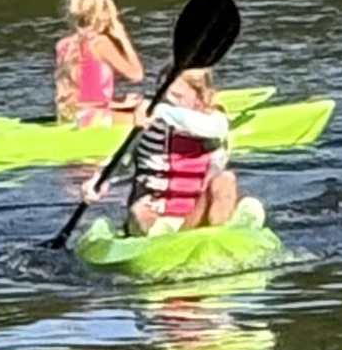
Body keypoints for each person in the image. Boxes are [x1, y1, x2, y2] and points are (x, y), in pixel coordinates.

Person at [87, 68, 259, 234]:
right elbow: (122, 162)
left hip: (196, 215)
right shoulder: (149, 128)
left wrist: (159, 110)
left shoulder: (215, 122)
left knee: (225, 180)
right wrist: (97, 181)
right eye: (162, 96)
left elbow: (212, 128)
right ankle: (156, 243)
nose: (167, 101)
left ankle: (219, 236)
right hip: (156, 217)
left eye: (177, 96)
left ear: (200, 96)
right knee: (140, 212)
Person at [52, 0, 147, 127]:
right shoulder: (99, 43)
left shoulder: (63, 44)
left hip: (71, 116)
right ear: (104, 13)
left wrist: (117, 103)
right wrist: (123, 38)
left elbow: (81, 99)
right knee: (151, 112)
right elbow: (137, 75)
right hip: (94, 119)